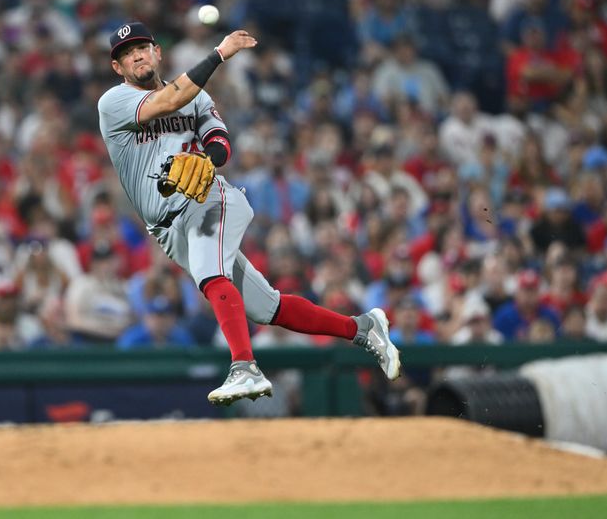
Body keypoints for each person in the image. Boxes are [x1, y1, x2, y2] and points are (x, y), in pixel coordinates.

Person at [97, 22, 400, 406]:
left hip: (208, 199)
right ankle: (363, 328)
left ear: (157, 52)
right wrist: (219, 54)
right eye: (126, 53)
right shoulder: (113, 102)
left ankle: (244, 367)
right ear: (118, 68)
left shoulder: (198, 97)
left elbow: (219, 141)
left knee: (212, 275)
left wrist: (208, 158)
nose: (136, 55)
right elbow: (166, 102)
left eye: (141, 48)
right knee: (266, 307)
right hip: (168, 229)